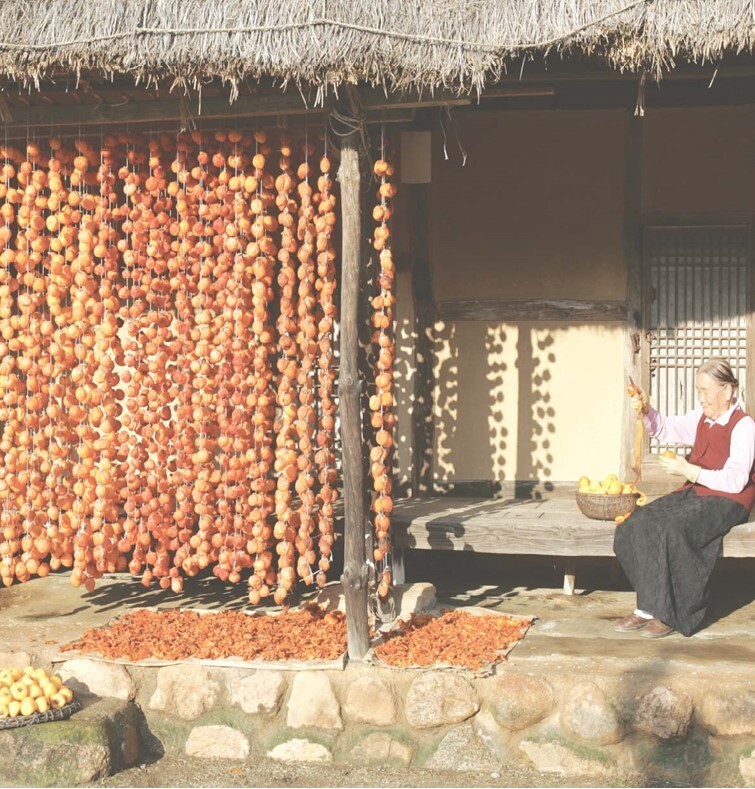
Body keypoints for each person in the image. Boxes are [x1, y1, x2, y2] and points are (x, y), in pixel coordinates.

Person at [613, 358, 755, 638]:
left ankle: (672, 614)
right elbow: (665, 428)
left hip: (729, 500)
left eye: (705, 391)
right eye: (698, 391)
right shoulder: (701, 418)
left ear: (727, 391)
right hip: (697, 491)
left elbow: (736, 480)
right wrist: (646, 410)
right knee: (637, 521)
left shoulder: (744, 426)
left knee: (674, 529)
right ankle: (646, 607)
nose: (701, 398)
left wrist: (688, 469)